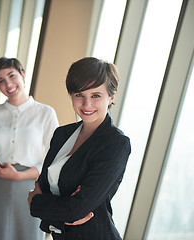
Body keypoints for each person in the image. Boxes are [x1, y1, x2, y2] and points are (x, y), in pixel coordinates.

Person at [28, 57, 131, 239]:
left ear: (111, 97)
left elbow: (76, 209)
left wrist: (36, 203)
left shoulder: (116, 144)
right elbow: (44, 185)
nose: (86, 104)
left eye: (96, 96)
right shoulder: (62, 134)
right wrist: (63, 210)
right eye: (79, 95)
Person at [0, 57, 59, 240]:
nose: (8, 84)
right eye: (0, 81)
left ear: (23, 74)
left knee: (29, 235)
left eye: (12, 76)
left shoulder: (45, 113)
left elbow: (54, 162)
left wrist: (20, 175)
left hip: (32, 187)